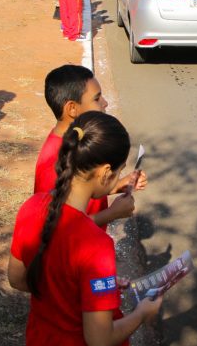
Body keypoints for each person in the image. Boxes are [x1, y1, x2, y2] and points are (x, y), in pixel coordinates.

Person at [8, 111, 163, 346]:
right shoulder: (95, 244)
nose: (118, 177)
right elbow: (99, 338)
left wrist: (88, 287)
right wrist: (141, 314)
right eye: (117, 171)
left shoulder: (31, 208)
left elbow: (18, 279)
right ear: (105, 172)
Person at [34, 65, 144, 229]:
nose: (105, 103)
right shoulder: (52, 162)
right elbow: (56, 228)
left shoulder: (82, 142)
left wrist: (118, 184)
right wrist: (111, 214)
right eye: (97, 98)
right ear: (72, 108)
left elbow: (84, 187)